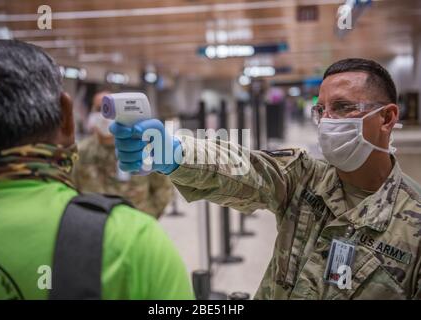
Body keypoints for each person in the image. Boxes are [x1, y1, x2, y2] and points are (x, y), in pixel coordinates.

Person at [112, 58, 421, 299]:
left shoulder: (414, 225)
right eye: (321, 110)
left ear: (387, 117)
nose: (328, 121)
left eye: (343, 108)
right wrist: (174, 153)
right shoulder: (304, 178)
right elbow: (246, 168)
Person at [0, 39, 194, 300]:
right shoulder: (133, 244)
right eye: (98, 109)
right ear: (68, 118)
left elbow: (161, 191)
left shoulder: (143, 153)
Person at [72, 91, 173, 219]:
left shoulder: (140, 148)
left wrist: (149, 217)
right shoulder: (81, 152)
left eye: (109, 109)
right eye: (99, 109)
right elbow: (71, 191)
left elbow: (163, 187)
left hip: (137, 227)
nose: (103, 115)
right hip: (96, 230)